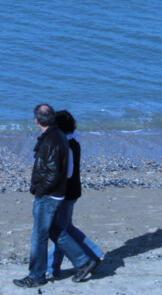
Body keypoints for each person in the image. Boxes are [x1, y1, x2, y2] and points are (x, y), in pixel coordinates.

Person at [13, 104, 97, 288]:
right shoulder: (59, 137)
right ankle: (83, 262)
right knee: (54, 230)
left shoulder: (53, 139)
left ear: (36, 120)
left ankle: (36, 276)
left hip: (49, 194)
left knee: (39, 236)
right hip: (56, 193)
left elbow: (54, 172)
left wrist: (39, 189)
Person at [48, 110, 103, 276]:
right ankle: (93, 254)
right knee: (64, 228)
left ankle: (55, 267)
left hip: (66, 193)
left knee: (59, 230)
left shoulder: (68, 144)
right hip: (71, 191)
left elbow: (68, 173)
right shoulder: (73, 139)